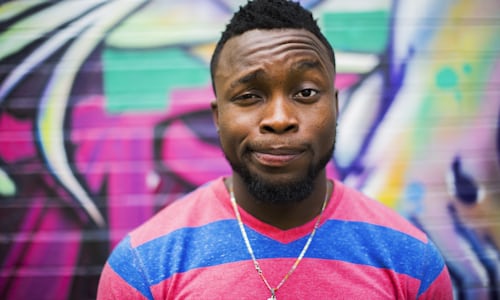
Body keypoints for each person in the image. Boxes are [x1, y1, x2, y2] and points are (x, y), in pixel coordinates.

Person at [97, 0, 453, 299]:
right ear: (218, 117)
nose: (280, 119)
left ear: (336, 107)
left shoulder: (412, 263)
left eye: (306, 93)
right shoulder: (143, 267)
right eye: (249, 96)